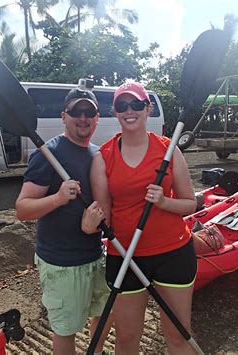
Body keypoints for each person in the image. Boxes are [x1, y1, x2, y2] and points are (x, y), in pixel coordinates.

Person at [86, 80, 198, 354]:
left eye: (136, 103)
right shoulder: (104, 157)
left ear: (147, 108)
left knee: (178, 336)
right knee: (126, 338)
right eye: (122, 105)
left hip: (173, 253)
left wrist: (163, 201)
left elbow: (190, 204)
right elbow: (105, 217)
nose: (129, 110)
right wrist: (91, 225)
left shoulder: (169, 150)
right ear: (115, 112)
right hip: (124, 255)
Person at [15, 86, 111, 355]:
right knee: (66, 329)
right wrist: (57, 198)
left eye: (89, 111)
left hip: (95, 254)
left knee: (102, 315)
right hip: (62, 263)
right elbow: (22, 209)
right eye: (76, 111)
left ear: (97, 117)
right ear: (64, 116)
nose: (83, 117)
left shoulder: (97, 153)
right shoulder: (48, 154)